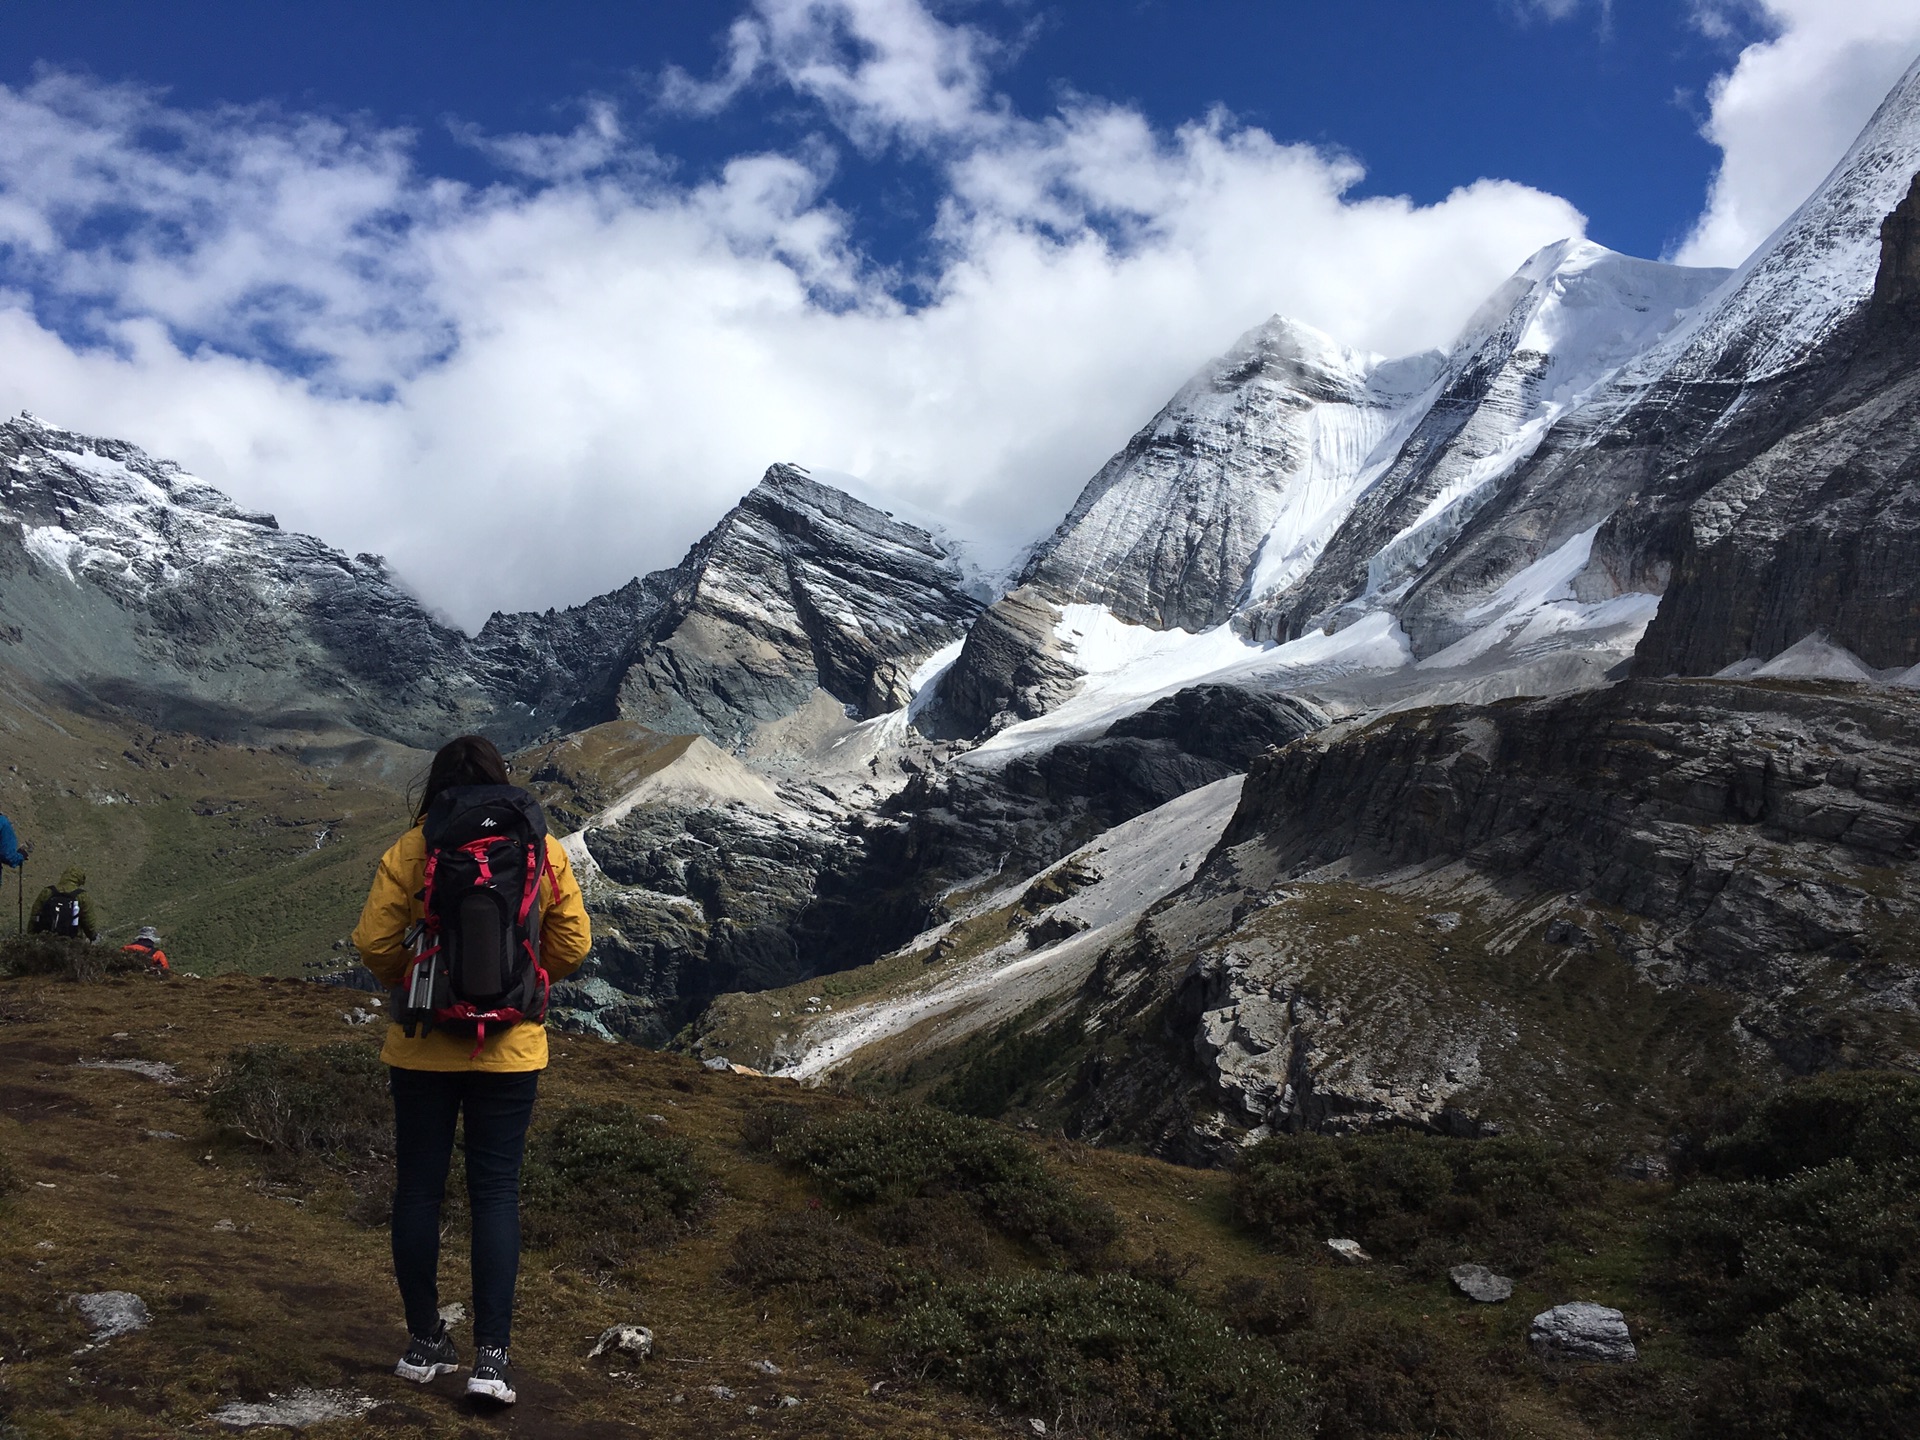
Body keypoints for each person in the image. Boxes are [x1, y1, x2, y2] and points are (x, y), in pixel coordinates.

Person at [351, 735, 590, 1407]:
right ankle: (493, 1360)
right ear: (500, 780)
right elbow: (574, 941)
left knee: (419, 1191)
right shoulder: (542, 848)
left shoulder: (413, 847)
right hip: (511, 1049)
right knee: (495, 1194)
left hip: (423, 1045)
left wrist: (420, 980)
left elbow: (372, 942)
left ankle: (425, 1342)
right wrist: (526, 977)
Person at [29, 865, 99, 940]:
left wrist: (31, 936)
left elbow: (35, 915)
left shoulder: (47, 892)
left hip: (46, 938)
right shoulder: (82, 896)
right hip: (71, 941)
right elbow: (88, 922)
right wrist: (93, 937)